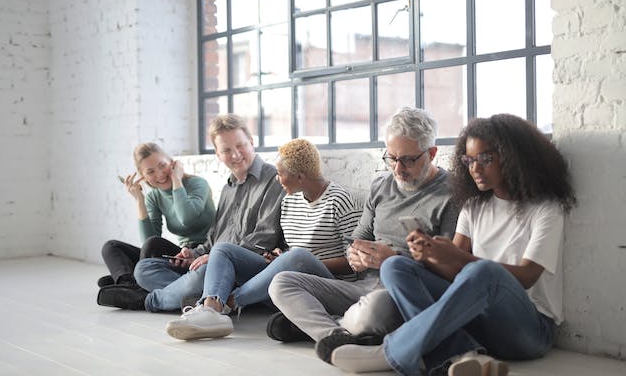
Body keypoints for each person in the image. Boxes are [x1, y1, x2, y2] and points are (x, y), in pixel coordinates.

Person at [327, 114, 577, 376]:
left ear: (513, 157)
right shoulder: (473, 206)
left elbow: (526, 277)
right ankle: (459, 355)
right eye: (469, 160)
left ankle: (391, 353)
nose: (475, 169)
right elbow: (452, 272)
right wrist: (430, 255)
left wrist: (458, 258)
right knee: (395, 265)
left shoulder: (545, 209)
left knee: (484, 272)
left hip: (528, 330)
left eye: (486, 159)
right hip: (477, 323)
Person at [267, 107, 459, 362]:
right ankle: (338, 336)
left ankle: (322, 325)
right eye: (391, 158)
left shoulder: (451, 194)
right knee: (281, 282)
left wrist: (394, 259)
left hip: (403, 293)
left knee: (375, 311)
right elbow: (356, 238)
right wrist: (355, 256)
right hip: (361, 286)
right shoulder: (381, 185)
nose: (398, 168)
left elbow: (451, 270)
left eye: (408, 160)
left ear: (432, 153)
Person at [164, 138, 364, 340]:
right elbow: (292, 249)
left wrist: (297, 261)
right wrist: (279, 257)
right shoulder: (289, 202)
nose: (277, 179)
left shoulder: (340, 201)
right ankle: (211, 310)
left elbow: (353, 264)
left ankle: (228, 304)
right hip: (285, 283)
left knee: (297, 257)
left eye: (280, 174)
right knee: (223, 250)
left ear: (300, 176)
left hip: (325, 286)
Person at [97, 114, 286, 312]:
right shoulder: (228, 188)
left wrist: (213, 257)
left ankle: (148, 300)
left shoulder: (272, 179)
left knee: (204, 272)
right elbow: (214, 238)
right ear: (218, 154)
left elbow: (264, 238)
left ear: (252, 142)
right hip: (213, 261)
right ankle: (199, 295)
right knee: (145, 269)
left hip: (246, 265)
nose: (236, 155)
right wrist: (194, 253)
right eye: (227, 150)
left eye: (240, 146)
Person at [96, 143, 215, 297]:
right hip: (181, 255)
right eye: (150, 171)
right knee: (111, 247)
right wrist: (140, 200)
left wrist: (177, 180)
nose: (159, 174)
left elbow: (186, 218)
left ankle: (132, 284)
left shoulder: (197, 184)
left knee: (154, 244)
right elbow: (148, 240)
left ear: (172, 163)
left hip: (202, 253)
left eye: (162, 165)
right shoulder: (154, 197)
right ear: (143, 177)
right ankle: (127, 283)